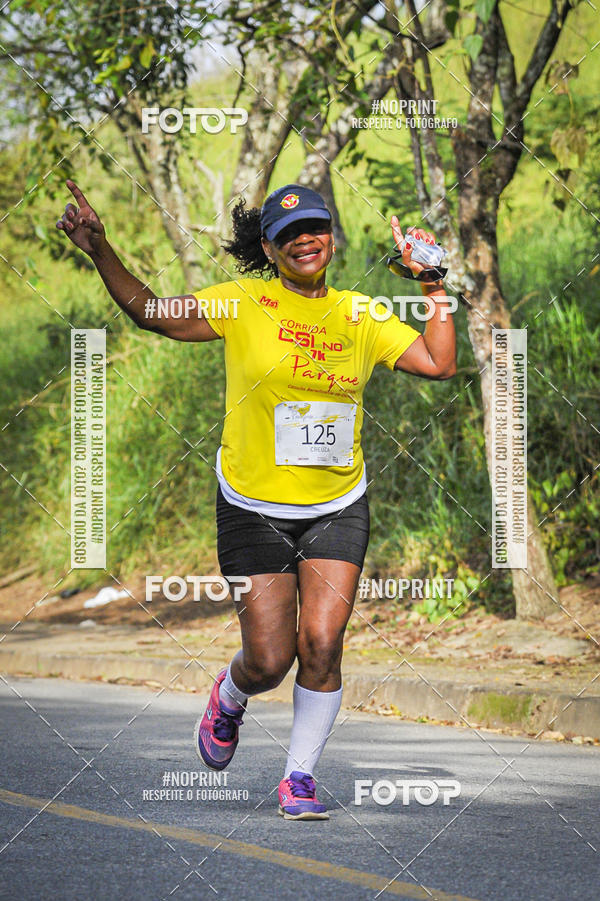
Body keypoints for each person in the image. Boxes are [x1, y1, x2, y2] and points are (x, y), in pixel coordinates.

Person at [57, 180, 456, 820]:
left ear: (332, 238)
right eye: (289, 234)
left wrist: (433, 287)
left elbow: (439, 364)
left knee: (323, 643)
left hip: (336, 503)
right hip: (252, 505)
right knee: (271, 660)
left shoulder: (360, 314)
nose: (306, 241)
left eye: (316, 229)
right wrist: (100, 249)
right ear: (268, 249)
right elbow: (151, 311)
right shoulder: (241, 303)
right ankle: (232, 696)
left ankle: (298, 778)